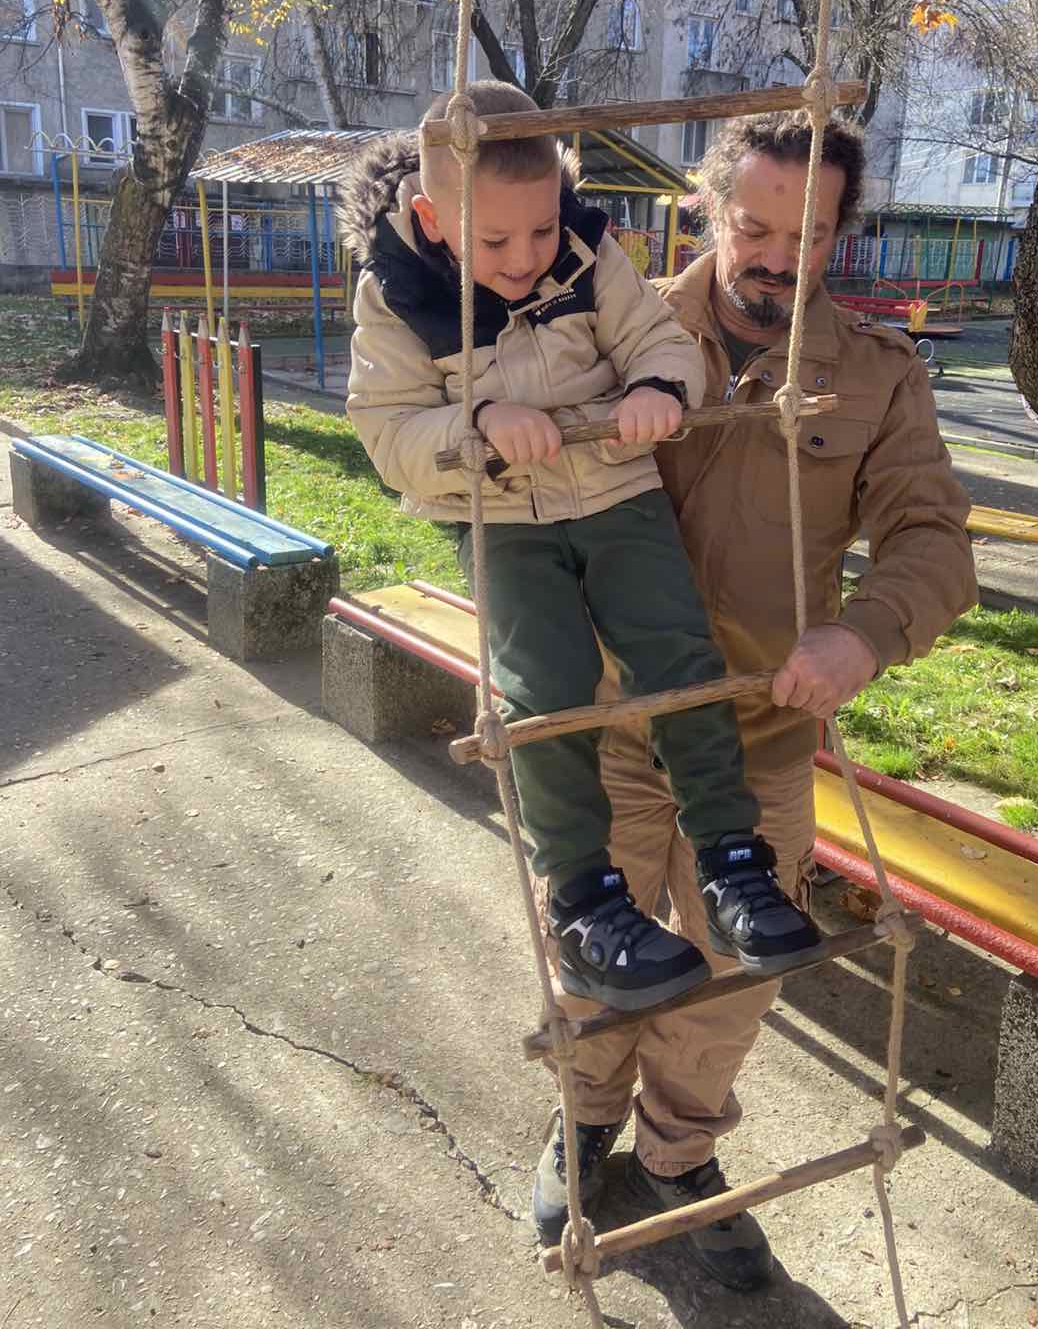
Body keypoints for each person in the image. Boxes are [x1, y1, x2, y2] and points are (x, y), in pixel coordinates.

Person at [532, 112, 978, 1288]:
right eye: (756, 226)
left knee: (736, 978)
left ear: (842, 234)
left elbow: (934, 539)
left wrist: (864, 634)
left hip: (763, 740)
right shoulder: (603, 336)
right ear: (705, 206)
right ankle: (582, 1124)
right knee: (590, 951)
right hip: (610, 728)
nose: (781, 257)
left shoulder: (873, 375)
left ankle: (678, 1155)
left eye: (811, 234)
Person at [340, 79, 822, 1018]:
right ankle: (583, 900)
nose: (524, 258)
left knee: (679, 653)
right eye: (493, 242)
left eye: (541, 229)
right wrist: (480, 422)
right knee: (546, 689)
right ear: (434, 219)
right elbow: (387, 434)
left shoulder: (589, 254)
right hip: (505, 511)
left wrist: (657, 389)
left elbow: (659, 339)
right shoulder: (394, 294)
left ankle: (733, 862)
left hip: (617, 492)